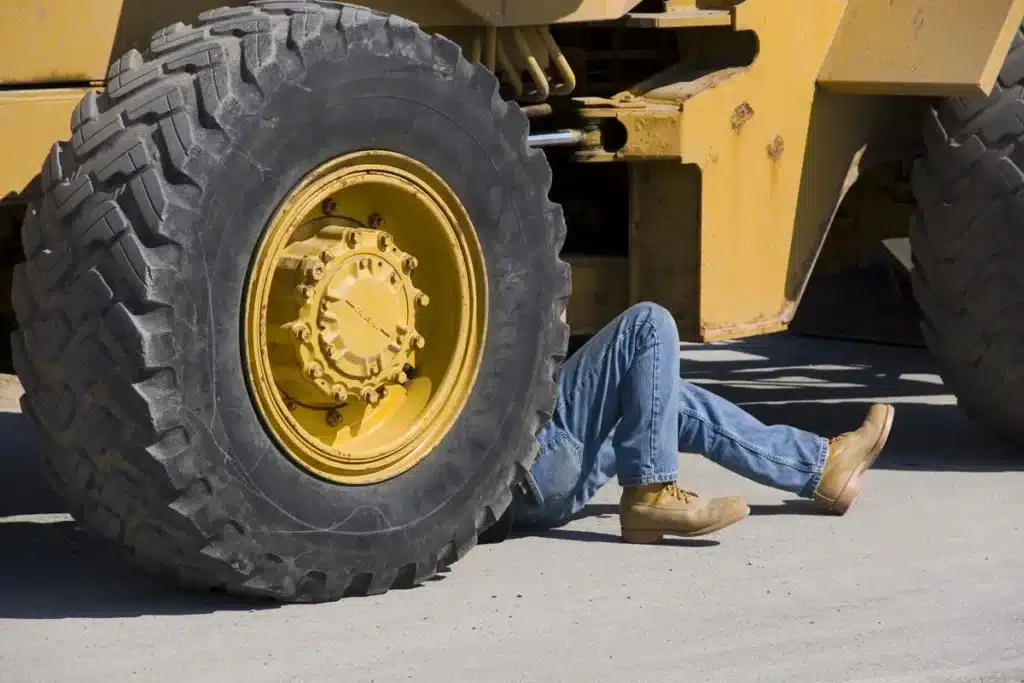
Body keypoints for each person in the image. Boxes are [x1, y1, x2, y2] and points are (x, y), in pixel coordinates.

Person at [507, 302, 895, 543]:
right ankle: (649, 494)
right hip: (528, 474)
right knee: (648, 323)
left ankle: (820, 467)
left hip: (517, 498)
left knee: (659, 395)